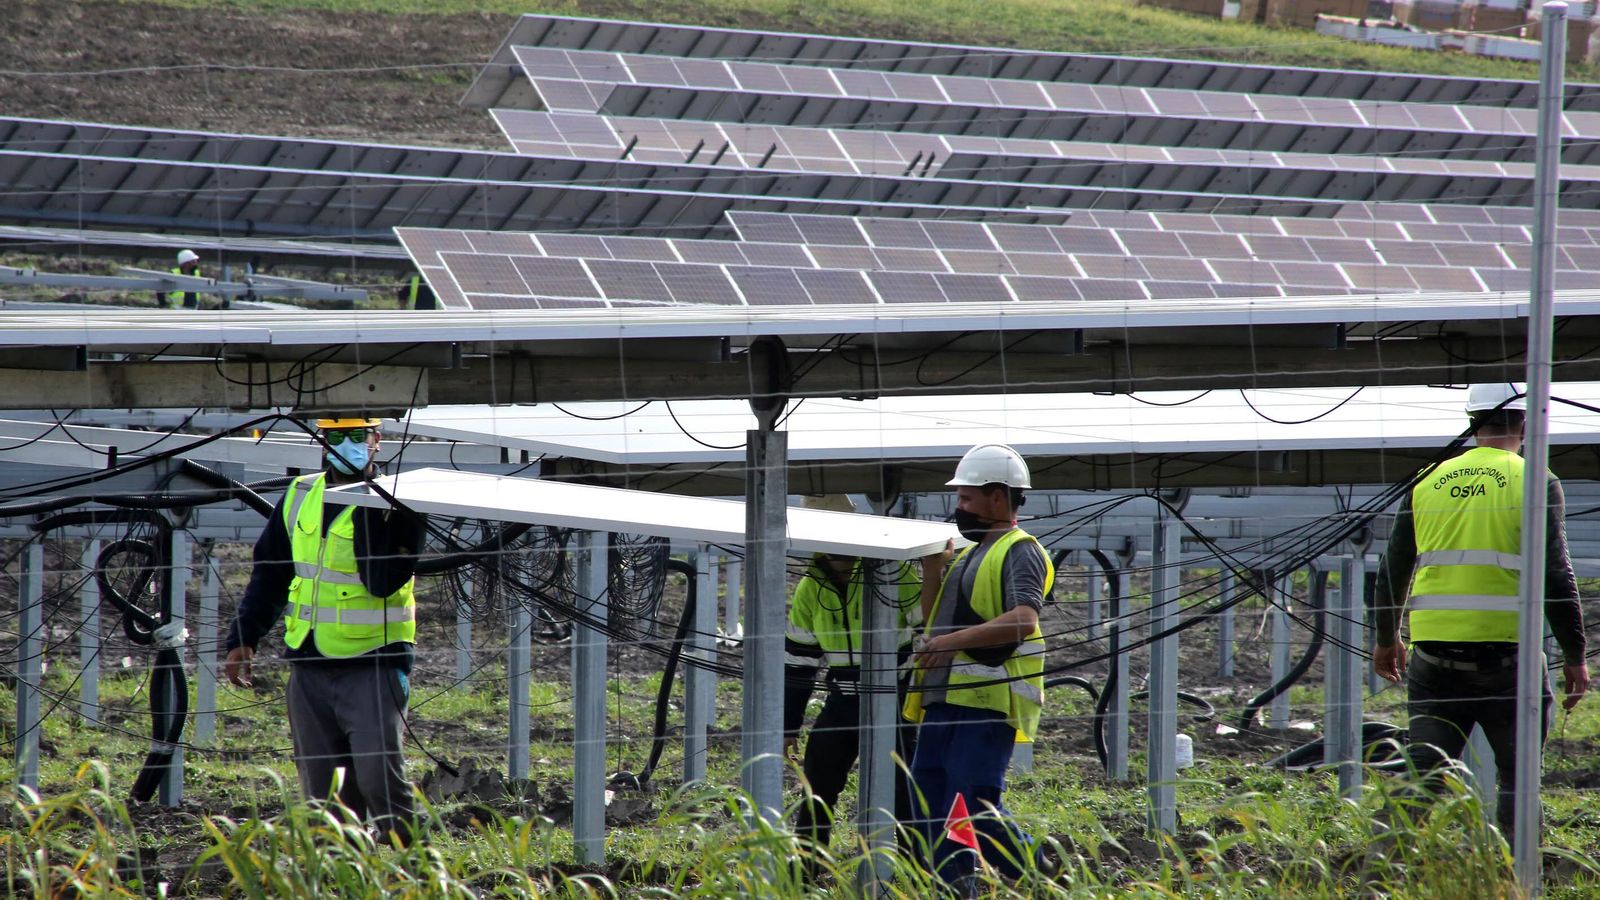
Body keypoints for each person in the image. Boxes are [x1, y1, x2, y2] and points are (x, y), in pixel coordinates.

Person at [1372, 382, 1589, 843]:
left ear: (1471, 424)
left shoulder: (1428, 481)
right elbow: (1556, 574)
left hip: (1433, 659)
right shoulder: (1536, 480)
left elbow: (1392, 569)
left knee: (1423, 777)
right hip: (1509, 661)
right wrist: (1575, 655)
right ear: (1525, 423)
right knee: (1519, 778)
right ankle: (1515, 878)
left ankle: (1378, 879)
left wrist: (1387, 639)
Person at [223, 415, 425, 843]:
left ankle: (416, 872)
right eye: (337, 436)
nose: (348, 446)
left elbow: (382, 580)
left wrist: (370, 501)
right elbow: (270, 574)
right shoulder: (299, 496)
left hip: (373, 661)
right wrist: (244, 636)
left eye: (358, 436)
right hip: (310, 661)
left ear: (376, 442)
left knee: (379, 780)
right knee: (325, 795)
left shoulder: (399, 502)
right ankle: (341, 877)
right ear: (322, 441)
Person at [904, 443, 1053, 892]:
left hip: (986, 703)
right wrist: (934, 570)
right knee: (932, 810)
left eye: (967, 499)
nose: (960, 508)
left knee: (976, 805)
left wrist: (950, 643)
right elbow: (936, 623)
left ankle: (1042, 869)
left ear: (997, 497)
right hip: (943, 701)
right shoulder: (970, 555)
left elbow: (1024, 619)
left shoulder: (1020, 550)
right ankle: (955, 888)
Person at [783, 495, 923, 871]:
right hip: (843, 699)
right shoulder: (810, 589)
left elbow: (929, 632)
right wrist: (787, 726)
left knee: (906, 792)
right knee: (817, 787)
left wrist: (922, 700)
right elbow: (799, 662)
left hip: (895, 700)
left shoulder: (893, 573)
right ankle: (806, 876)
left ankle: (917, 876)